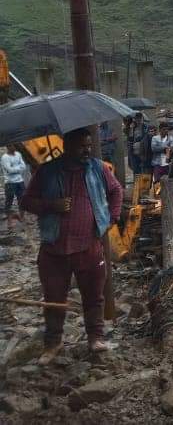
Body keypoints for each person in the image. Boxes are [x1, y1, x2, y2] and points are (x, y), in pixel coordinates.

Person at [21, 127, 123, 362]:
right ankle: (53, 343)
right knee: (54, 298)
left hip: (89, 246)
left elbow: (116, 190)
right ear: (67, 147)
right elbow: (26, 201)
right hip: (54, 250)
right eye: (82, 146)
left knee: (94, 297)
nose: (87, 150)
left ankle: (95, 338)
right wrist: (50, 205)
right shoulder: (46, 171)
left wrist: (112, 218)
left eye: (89, 145)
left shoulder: (98, 168)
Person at [2, 144, 28, 230]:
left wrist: (15, 168)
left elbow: (24, 167)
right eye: (12, 146)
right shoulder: (5, 157)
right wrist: (18, 168)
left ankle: (21, 217)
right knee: (9, 201)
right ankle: (10, 221)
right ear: (8, 147)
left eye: (14, 146)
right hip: (10, 182)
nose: (14, 147)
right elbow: (9, 170)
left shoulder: (18, 154)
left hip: (20, 181)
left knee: (23, 200)